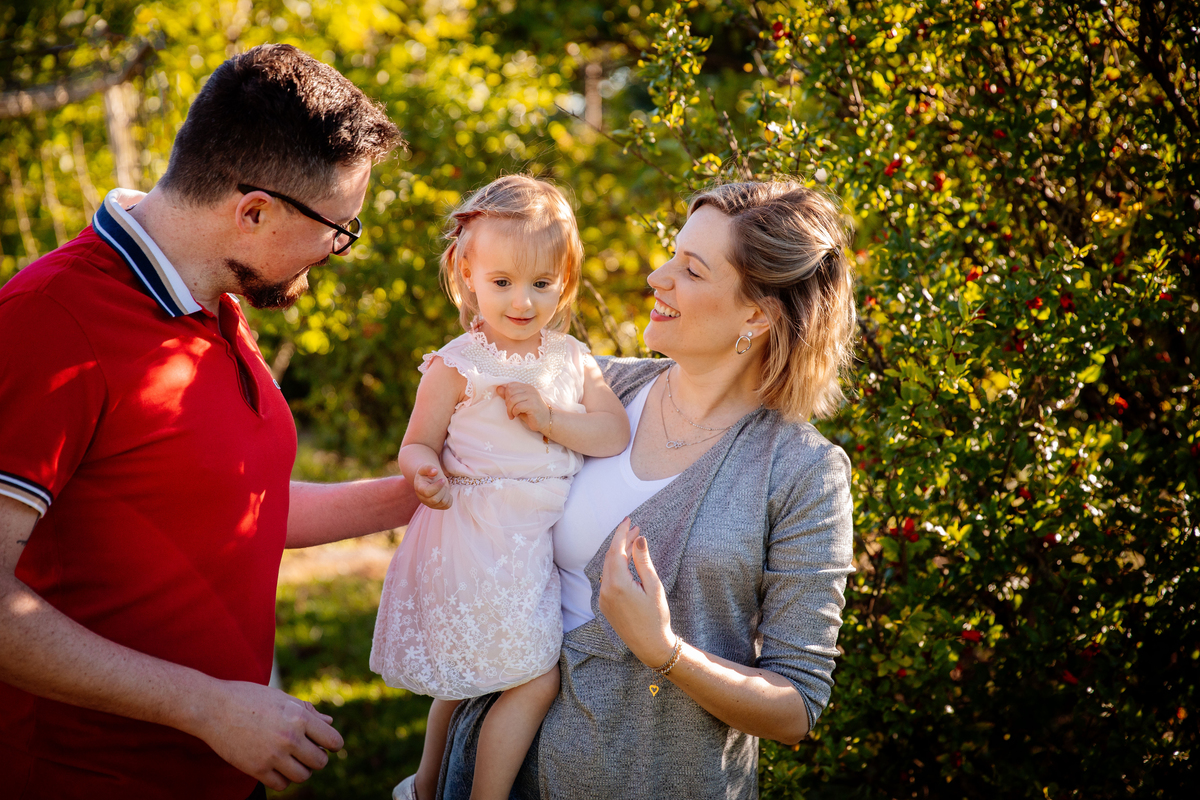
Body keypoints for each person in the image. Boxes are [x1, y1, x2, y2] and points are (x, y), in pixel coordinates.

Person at [0, 44, 417, 800]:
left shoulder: (217, 305)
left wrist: (423, 492)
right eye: (339, 228)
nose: (338, 249)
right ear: (252, 211)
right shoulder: (49, 322)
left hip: (222, 769)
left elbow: (239, 509)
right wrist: (206, 705)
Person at [437, 180, 858, 799]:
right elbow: (463, 476)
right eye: (672, 255)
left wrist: (664, 651)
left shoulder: (800, 471)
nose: (658, 277)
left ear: (756, 314)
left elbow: (795, 708)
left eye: (690, 269)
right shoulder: (592, 389)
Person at [370, 175, 630, 800]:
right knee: (529, 679)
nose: (523, 302)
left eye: (542, 283)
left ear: (564, 280)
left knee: (477, 675)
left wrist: (550, 418)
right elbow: (415, 444)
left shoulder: (571, 359)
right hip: (474, 537)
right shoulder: (456, 364)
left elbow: (612, 432)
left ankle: (428, 786)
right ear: (466, 274)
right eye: (502, 282)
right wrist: (423, 473)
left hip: (529, 542)